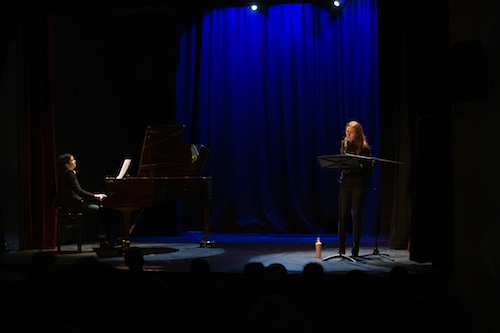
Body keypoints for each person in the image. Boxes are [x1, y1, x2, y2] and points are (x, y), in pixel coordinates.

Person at [55, 153, 112, 250]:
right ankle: (103, 241)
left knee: (98, 208)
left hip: (71, 202)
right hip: (70, 204)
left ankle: (104, 239)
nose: (75, 161)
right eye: (72, 160)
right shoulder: (68, 173)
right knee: (98, 210)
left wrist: (94, 197)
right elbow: (79, 191)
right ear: (66, 164)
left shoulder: (67, 173)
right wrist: (95, 196)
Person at [338, 121, 373, 257]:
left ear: (357, 134)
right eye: (346, 132)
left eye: (350, 132)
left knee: (356, 216)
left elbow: (368, 169)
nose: (347, 135)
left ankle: (355, 249)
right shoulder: (345, 146)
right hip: (345, 184)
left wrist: (359, 168)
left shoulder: (364, 149)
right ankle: (341, 249)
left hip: (357, 184)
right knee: (342, 216)